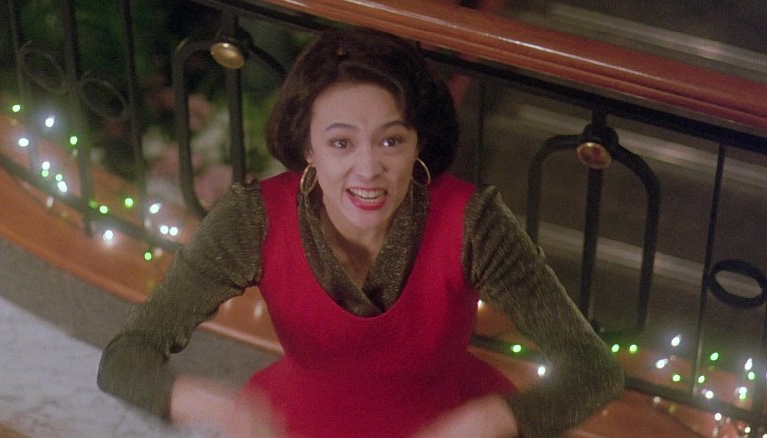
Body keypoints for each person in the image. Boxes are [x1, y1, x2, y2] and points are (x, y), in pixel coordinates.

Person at [97, 28, 623, 437]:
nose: (369, 170)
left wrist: (495, 419)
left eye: (391, 141)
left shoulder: (474, 221)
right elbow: (125, 357)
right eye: (341, 143)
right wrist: (204, 402)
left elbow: (594, 369)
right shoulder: (252, 219)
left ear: (418, 143)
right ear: (307, 147)